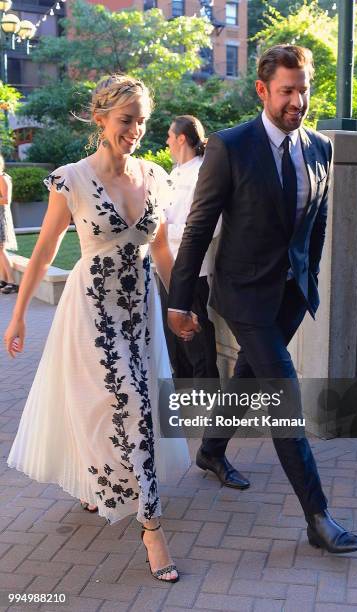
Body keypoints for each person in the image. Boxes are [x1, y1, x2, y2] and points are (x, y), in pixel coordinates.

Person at [167, 45, 357, 554]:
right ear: (262, 90)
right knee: (284, 395)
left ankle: (211, 451)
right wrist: (180, 299)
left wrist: (310, 278)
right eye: (287, 90)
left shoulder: (320, 147)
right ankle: (318, 518)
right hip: (243, 294)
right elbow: (197, 229)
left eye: (303, 88)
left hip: (290, 295)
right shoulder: (231, 147)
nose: (297, 99)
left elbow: (317, 222)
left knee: (248, 380)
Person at [3, 74, 192, 583]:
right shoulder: (72, 179)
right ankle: (153, 528)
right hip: (92, 315)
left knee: (140, 405)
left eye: (143, 121)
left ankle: (98, 486)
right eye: (127, 120)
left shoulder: (155, 176)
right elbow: (42, 251)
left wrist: (181, 305)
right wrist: (18, 314)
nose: (136, 130)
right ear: (101, 118)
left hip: (142, 312)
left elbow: (160, 249)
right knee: (124, 405)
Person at [159, 115, 220, 380]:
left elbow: (209, 226)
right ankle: (182, 395)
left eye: (170, 137)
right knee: (174, 340)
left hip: (192, 268)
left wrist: (160, 231)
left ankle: (208, 396)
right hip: (166, 266)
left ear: (181, 138)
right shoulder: (174, 173)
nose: (167, 142)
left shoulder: (202, 173)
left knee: (196, 336)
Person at [0, 155, 18, 294]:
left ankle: (12, 282)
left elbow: (7, 200)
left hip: (2, 217)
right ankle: (4, 280)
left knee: (1, 249)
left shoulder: (3, 177)